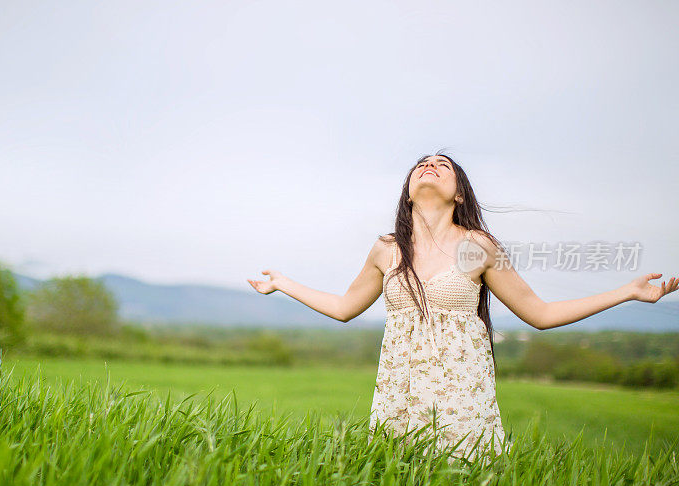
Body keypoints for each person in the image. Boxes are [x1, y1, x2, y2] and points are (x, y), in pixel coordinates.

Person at [247, 152, 678, 461]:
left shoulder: (478, 247)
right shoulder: (387, 249)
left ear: (459, 195)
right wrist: (284, 284)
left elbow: (540, 314)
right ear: (409, 194)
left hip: (461, 398)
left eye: (443, 165)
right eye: (421, 165)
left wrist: (626, 291)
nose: (429, 166)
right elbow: (344, 307)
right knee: (398, 481)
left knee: (465, 483)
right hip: (400, 396)